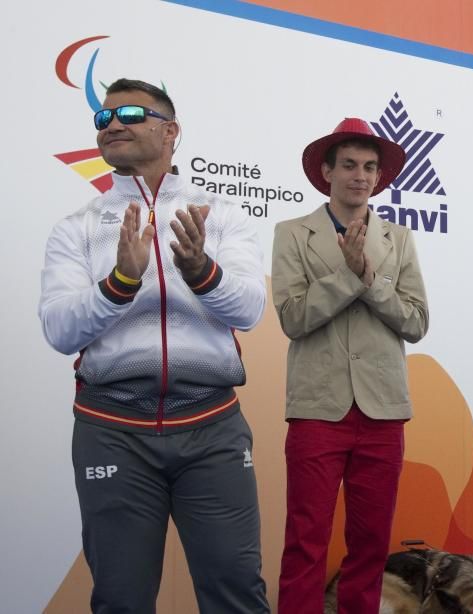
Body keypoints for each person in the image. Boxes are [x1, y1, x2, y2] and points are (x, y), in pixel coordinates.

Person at [38, 78, 269, 613]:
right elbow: (59, 330)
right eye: (104, 118)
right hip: (112, 432)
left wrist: (201, 271)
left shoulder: (219, 216)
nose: (113, 124)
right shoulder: (77, 228)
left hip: (212, 428)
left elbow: (250, 311)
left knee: (236, 592)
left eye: (132, 114)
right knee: (120, 599)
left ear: (171, 131)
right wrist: (119, 282)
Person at [271, 118, 429, 613]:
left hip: (382, 411)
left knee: (370, 546)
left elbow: (417, 321)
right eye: (348, 165)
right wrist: (348, 275)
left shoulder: (398, 239)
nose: (359, 176)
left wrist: (369, 277)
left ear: (379, 177)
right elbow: (294, 319)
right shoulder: (293, 233)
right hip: (318, 408)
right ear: (326, 171)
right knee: (305, 542)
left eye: (369, 167)